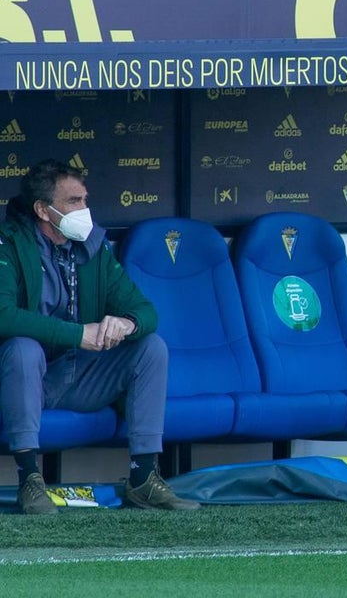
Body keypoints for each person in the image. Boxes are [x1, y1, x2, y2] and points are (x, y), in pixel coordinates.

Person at [0, 159, 199, 514]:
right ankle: (30, 480)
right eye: (73, 201)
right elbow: (4, 315)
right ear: (42, 210)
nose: (84, 210)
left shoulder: (93, 247)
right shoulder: (9, 242)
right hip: (25, 380)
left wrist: (126, 324)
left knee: (150, 347)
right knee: (23, 349)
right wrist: (78, 334)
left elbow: (145, 311)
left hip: (80, 376)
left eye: (84, 200)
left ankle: (143, 478)